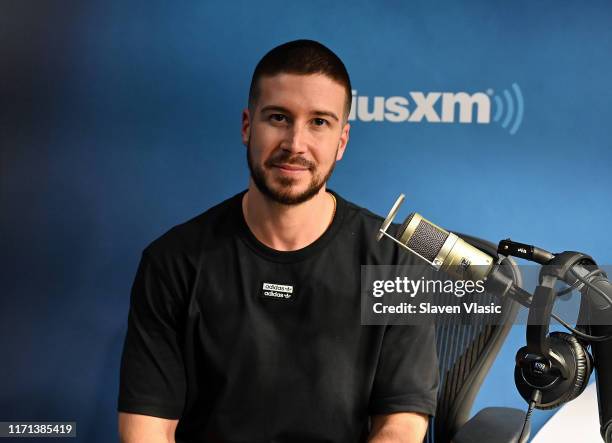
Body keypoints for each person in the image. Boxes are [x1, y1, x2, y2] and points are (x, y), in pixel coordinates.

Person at [118, 39, 439, 443]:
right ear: (247, 127)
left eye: (319, 122)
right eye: (278, 118)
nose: (295, 144)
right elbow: (144, 429)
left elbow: (402, 426)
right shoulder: (173, 261)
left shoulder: (396, 264)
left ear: (341, 142)